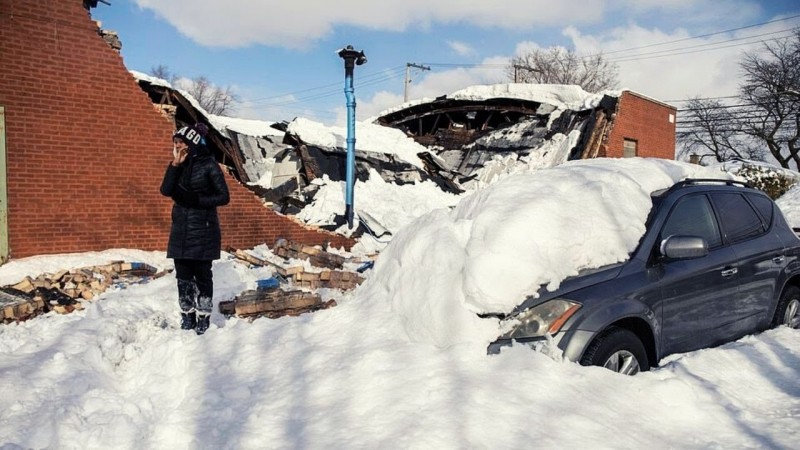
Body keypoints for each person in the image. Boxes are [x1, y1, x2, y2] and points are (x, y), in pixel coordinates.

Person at [160, 122, 230, 334]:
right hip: (181, 230)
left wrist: (196, 199)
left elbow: (223, 197)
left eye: (181, 143)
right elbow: (165, 190)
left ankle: (203, 317)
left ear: (191, 143)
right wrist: (175, 165)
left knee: (202, 276)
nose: (177, 146)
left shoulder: (209, 164)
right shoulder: (178, 164)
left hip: (203, 231)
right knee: (183, 277)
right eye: (175, 143)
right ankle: (187, 315)